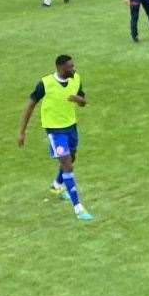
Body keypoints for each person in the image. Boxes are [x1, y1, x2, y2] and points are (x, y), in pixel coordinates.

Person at [18, 53, 94, 221]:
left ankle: (57, 185)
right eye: (70, 67)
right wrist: (22, 131)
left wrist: (78, 99)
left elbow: (84, 102)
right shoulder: (45, 83)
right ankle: (78, 208)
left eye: (73, 66)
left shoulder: (76, 79)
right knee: (67, 163)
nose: (73, 69)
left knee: (71, 157)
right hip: (54, 130)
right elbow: (30, 105)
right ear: (60, 68)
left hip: (71, 126)